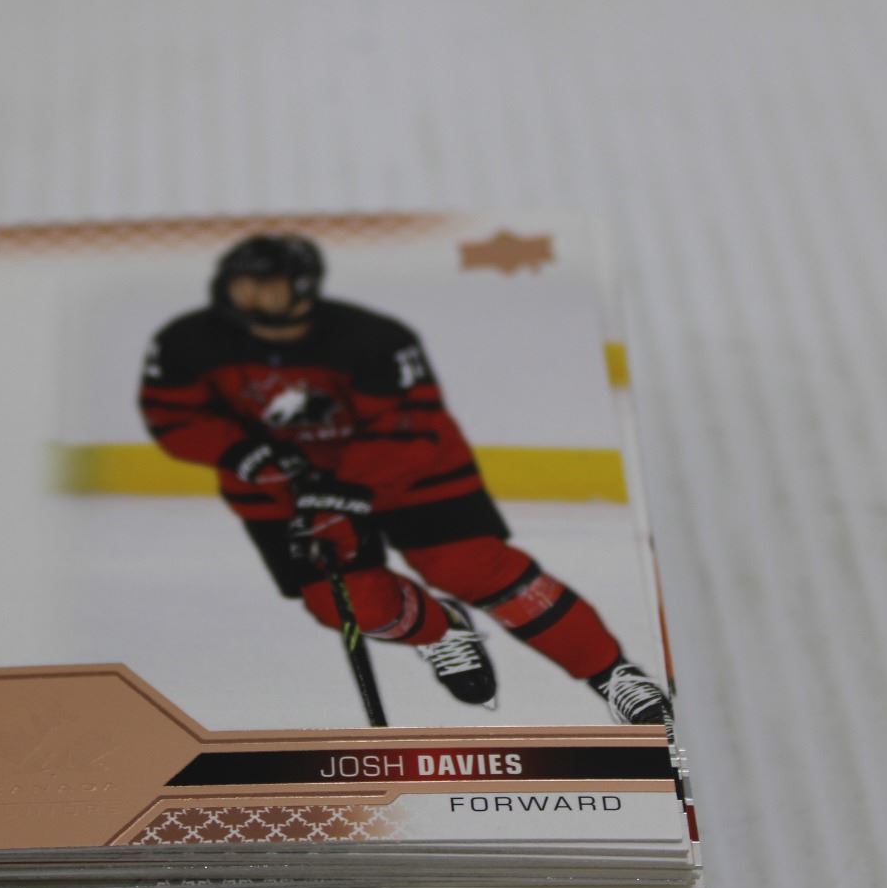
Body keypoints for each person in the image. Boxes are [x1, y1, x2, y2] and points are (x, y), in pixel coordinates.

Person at [138, 233, 671, 727]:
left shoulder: (373, 339)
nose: (252, 300)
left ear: (302, 288)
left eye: (267, 287)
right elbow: (172, 416)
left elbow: (408, 428)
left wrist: (346, 488)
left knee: (472, 567)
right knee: (346, 605)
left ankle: (611, 673)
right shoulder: (188, 341)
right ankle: (439, 628)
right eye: (242, 286)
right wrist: (242, 453)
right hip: (284, 493)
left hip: (410, 474)